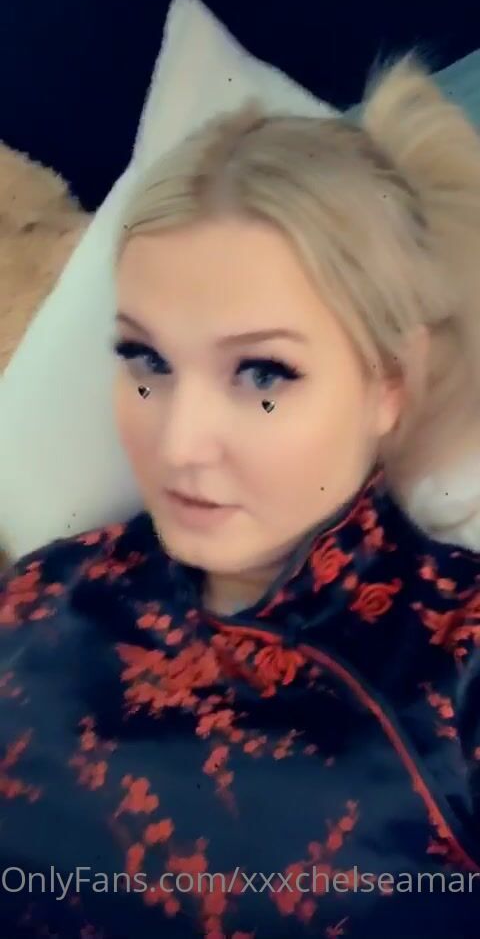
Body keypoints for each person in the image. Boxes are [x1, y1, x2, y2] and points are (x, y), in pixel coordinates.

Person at [1, 53, 480, 939]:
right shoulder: (38, 601)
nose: (179, 444)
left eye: (262, 373)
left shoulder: (460, 661)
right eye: (145, 359)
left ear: (388, 384)